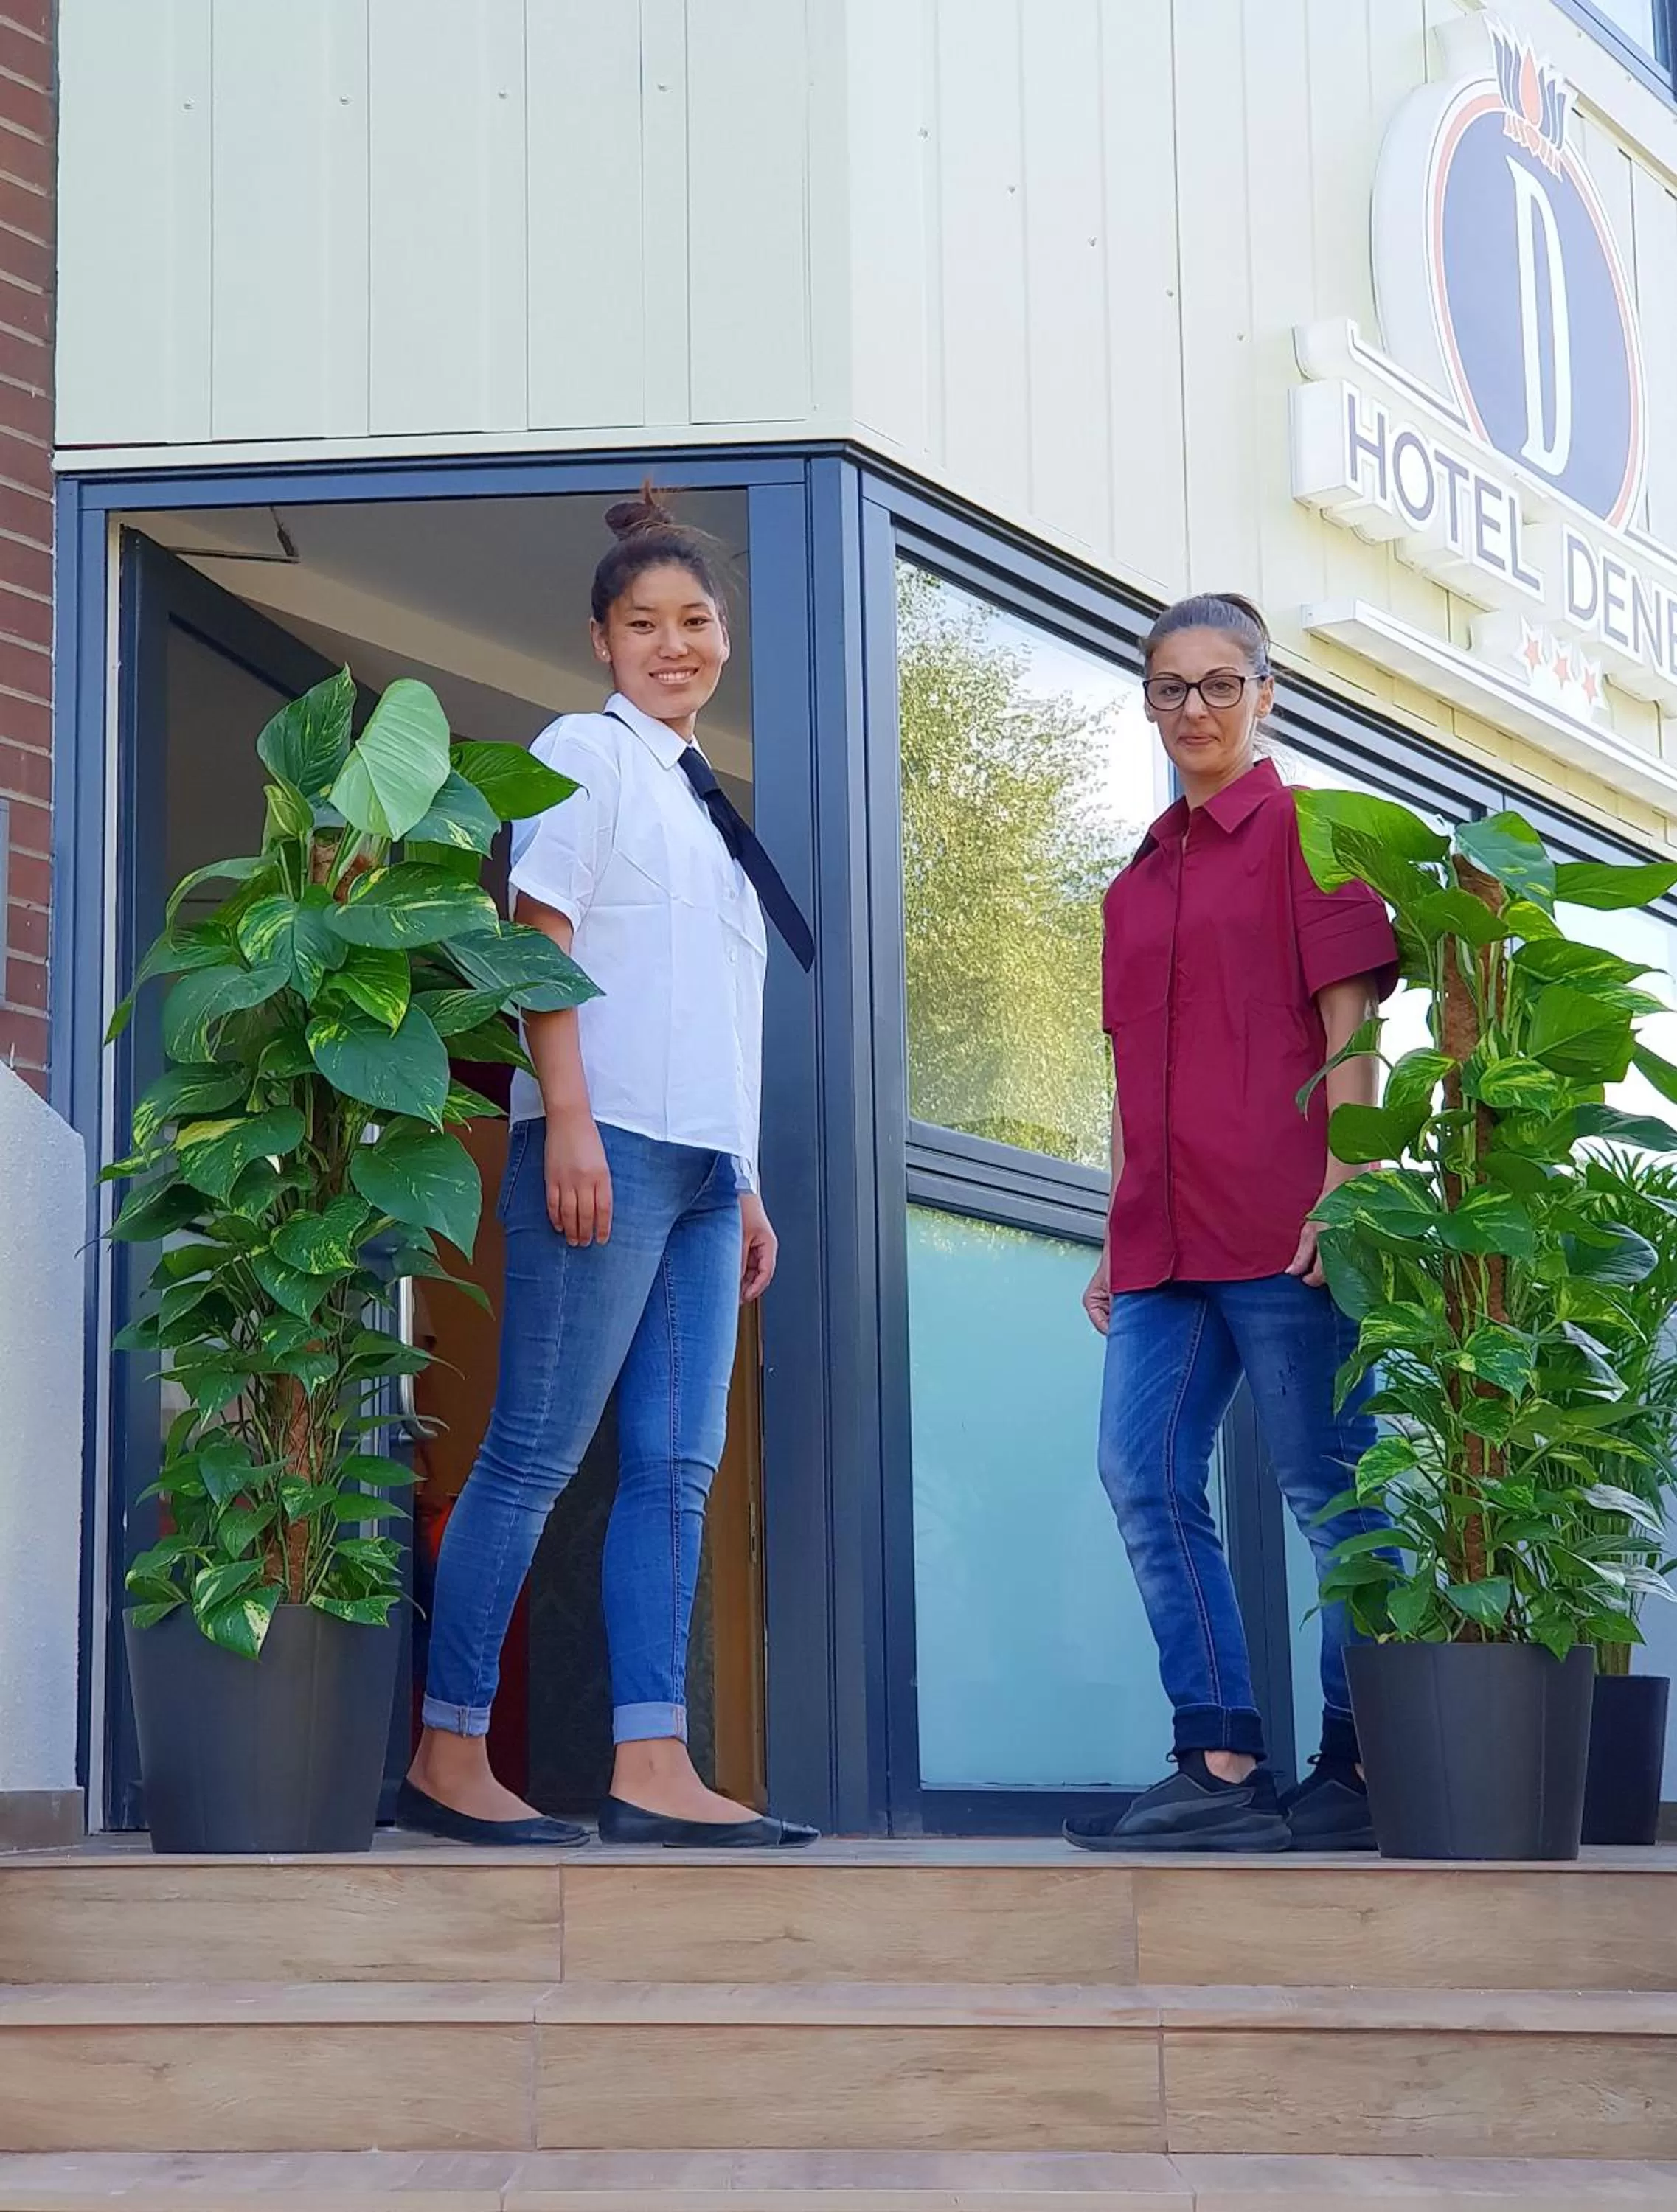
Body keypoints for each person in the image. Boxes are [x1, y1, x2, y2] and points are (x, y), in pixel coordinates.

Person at [398, 489, 817, 1849]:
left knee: (674, 1474)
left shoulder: (706, 805)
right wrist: (562, 1116)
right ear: (602, 641)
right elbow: (539, 931)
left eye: (695, 620)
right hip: (608, 1146)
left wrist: (745, 1179)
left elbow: (711, 1011)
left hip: (702, 1174)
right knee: (529, 1457)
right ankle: (448, 1752)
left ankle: (652, 1761)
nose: (674, 643)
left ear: (724, 636)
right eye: (644, 624)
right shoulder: (584, 748)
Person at [1066, 592, 1398, 1855]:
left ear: (1266, 695)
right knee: (1141, 1473)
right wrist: (1113, 1225)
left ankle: (1364, 1762)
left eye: (1218, 685)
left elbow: (1351, 1021)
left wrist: (1347, 1178)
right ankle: (1216, 1759)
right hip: (1160, 1242)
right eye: (1168, 688)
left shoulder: (1311, 836)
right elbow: (1126, 1073)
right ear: (1147, 704)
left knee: (1328, 1489)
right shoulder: (1132, 883)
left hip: (1281, 1220)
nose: (1193, 709)